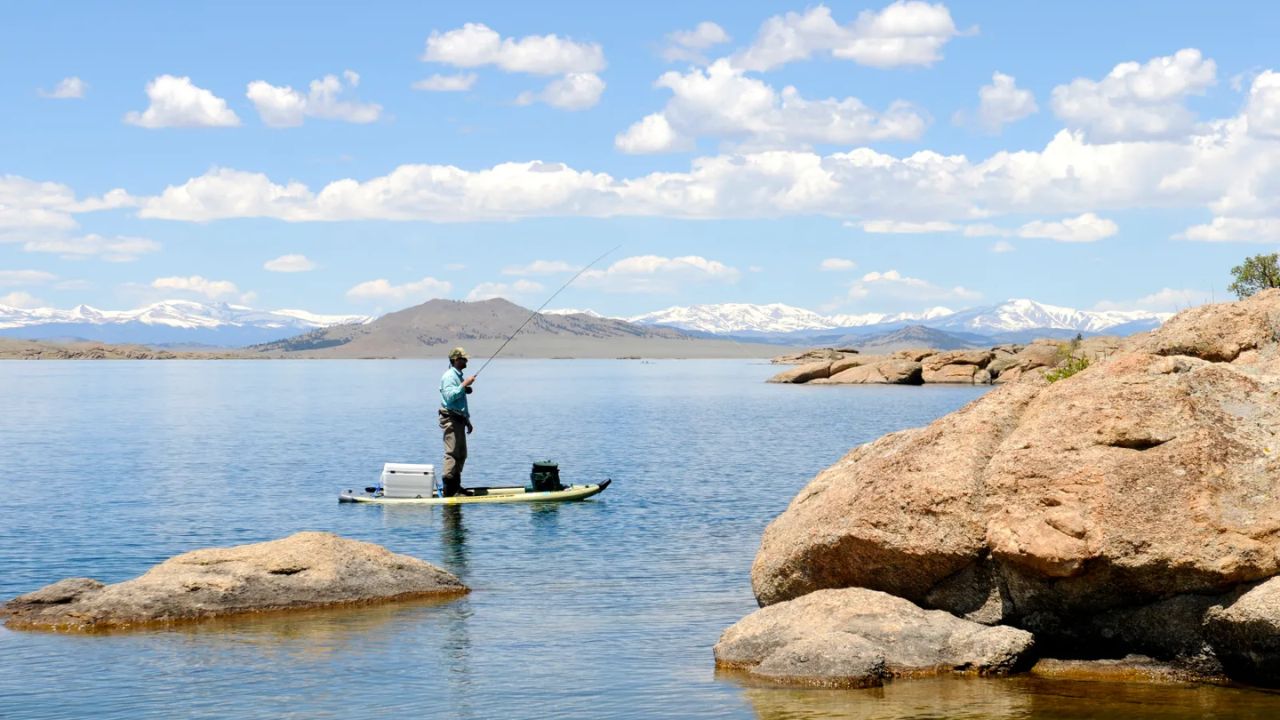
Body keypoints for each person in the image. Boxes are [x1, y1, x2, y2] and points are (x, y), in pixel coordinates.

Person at [438, 346, 476, 497]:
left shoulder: (458, 376)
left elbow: (459, 401)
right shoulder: (449, 376)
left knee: (461, 453)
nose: (466, 361)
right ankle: (449, 490)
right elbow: (449, 397)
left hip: (459, 419)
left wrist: (467, 420)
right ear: (455, 360)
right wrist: (464, 385)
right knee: (452, 453)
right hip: (450, 419)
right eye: (463, 358)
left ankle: (456, 486)